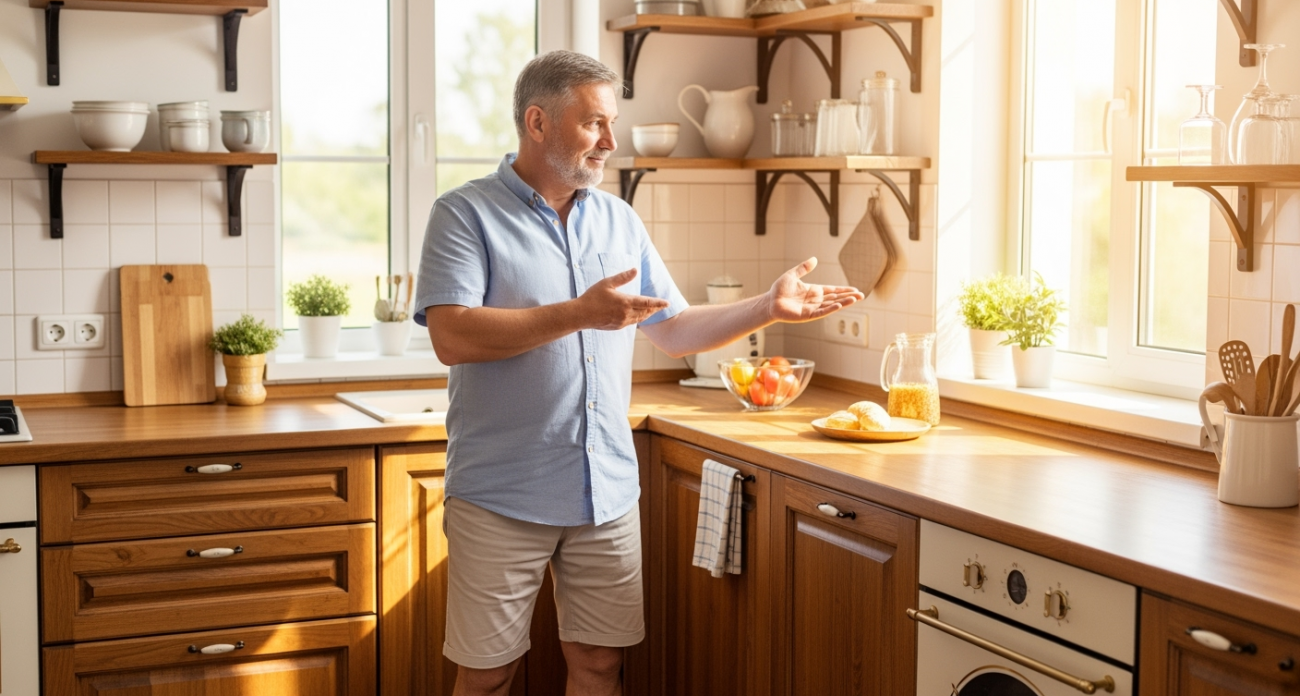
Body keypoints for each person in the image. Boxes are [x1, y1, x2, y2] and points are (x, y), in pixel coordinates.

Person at [413, 50, 863, 696]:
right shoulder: (465, 215)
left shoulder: (618, 220)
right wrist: (578, 314)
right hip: (500, 493)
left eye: (613, 122)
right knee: (487, 674)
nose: (611, 141)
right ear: (537, 123)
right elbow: (451, 334)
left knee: (599, 665)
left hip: (605, 491)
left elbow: (674, 329)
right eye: (594, 123)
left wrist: (769, 305)